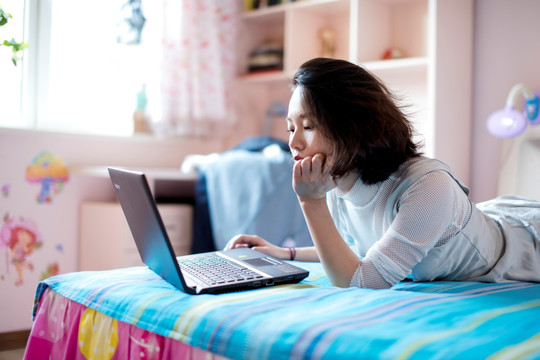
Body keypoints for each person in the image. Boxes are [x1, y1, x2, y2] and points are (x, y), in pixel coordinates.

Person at [226, 57, 540, 289]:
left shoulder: (428, 188)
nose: (293, 142)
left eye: (308, 126)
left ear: (353, 124)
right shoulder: (338, 180)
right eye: (291, 128)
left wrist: (312, 203)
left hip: (523, 248)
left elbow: (362, 281)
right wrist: (285, 253)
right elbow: (357, 251)